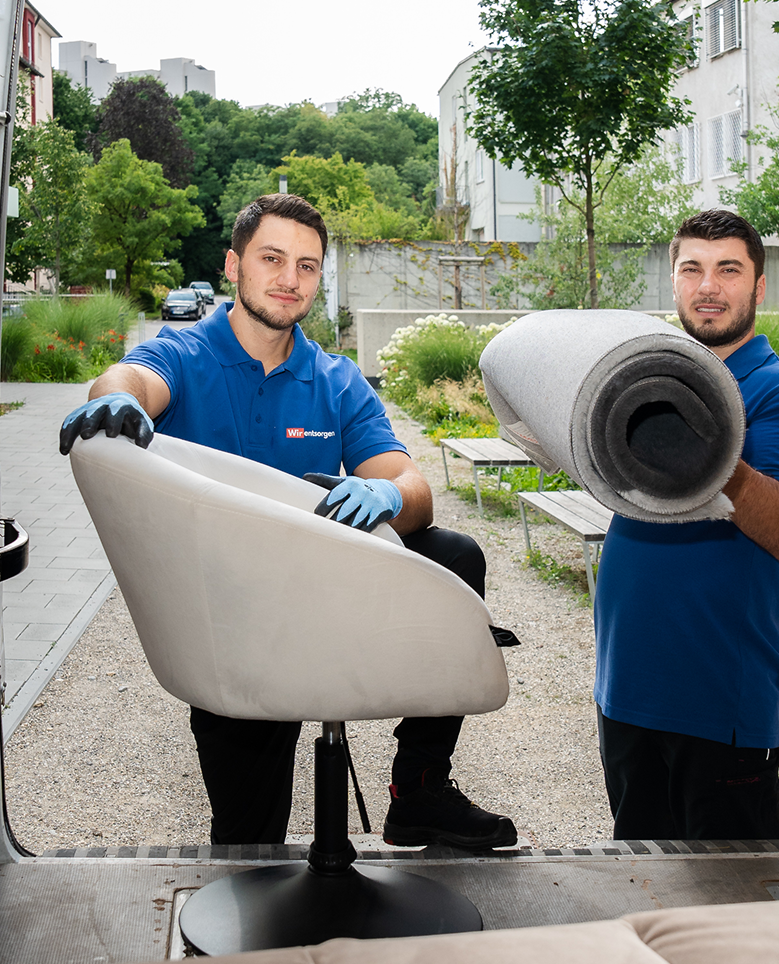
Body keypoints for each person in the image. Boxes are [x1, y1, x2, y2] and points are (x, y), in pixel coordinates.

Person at [60, 193, 517, 852]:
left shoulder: (335, 379)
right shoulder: (184, 354)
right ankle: (246, 904)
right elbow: (129, 377)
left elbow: (410, 484)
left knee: (455, 555)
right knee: (249, 844)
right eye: (271, 258)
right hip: (231, 622)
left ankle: (419, 791)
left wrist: (388, 497)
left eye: (306, 266)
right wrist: (117, 400)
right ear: (234, 265)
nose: (288, 278)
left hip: (319, 592)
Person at [593, 209, 779, 841]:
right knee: (645, 889)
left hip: (716, 704)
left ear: (758, 286)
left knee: (734, 912)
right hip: (626, 691)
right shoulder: (652, 382)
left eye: (728, 269)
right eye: (692, 268)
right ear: (673, 281)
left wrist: (712, 456)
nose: (708, 286)